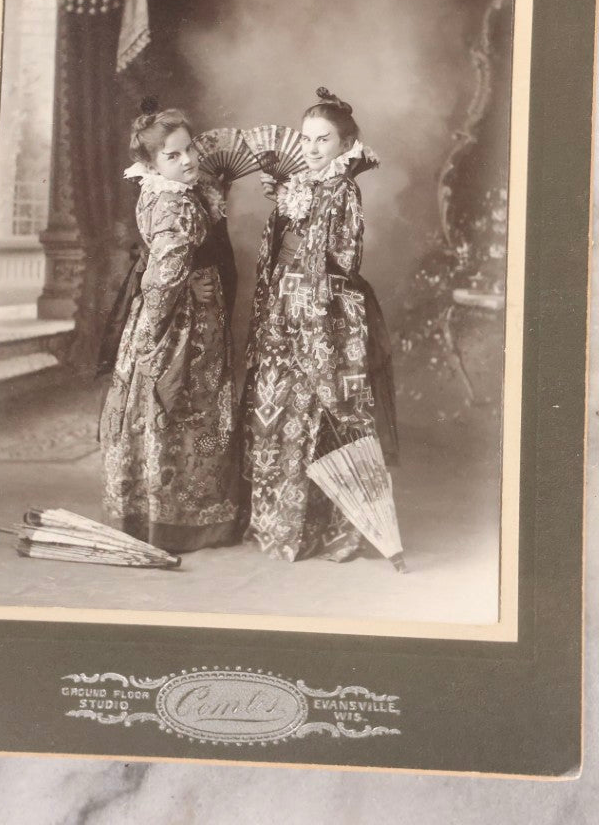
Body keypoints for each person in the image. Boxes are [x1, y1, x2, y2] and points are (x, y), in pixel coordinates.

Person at [242, 87, 400, 562]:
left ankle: (330, 528)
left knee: (324, 409)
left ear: (345, 144)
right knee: (281, 409)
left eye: (323, 140)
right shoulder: (302, 184)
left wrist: (305, 286)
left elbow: (343, 260)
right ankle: (282, 523)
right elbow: (279, 247)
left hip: (322, 315)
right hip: (283, 308)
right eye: (306, 139)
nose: (311, 149)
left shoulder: (344, 190)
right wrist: (286, 206)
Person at [99, 99, 239, 553]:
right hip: (184, 323)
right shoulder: (172, 203)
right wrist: (153, 333)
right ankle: (179, 520)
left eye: (189, 149)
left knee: (167, 407)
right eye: (173, 155)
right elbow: (164, 277)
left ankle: (155, 511)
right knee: (181, 403)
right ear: (152, 163)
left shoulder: (168, 191)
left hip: (186, 310)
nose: (188, 160)